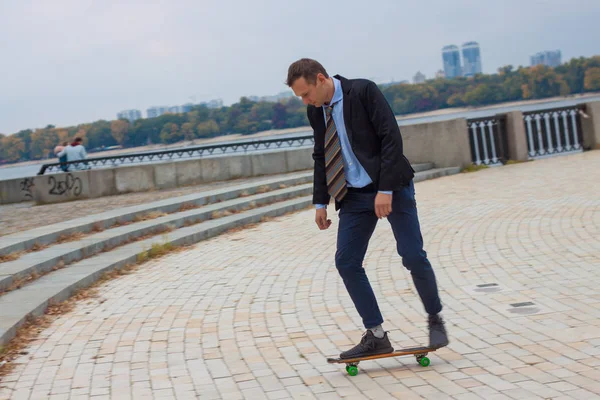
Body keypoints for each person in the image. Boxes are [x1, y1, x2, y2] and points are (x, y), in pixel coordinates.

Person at [286, 58, 449, 359]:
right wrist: (321, 202)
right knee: (347, 262)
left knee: (412, 255)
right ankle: (376, 335)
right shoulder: (315, 111)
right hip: (354, 196)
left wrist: (385, 189)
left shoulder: (362, 91)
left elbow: (391, 139)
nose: (305, 101)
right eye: (301, 98)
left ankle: (435, 318)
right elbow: (322, 155)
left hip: (392, 187)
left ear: (320, 79)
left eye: (306, 94)